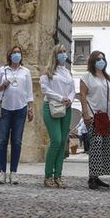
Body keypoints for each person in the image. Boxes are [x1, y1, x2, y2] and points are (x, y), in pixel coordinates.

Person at [0, 45, 34, 185]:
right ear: (9, 55)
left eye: (19, 52)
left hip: (20, 108)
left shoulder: (26, 72)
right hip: (4, 108)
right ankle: (1, 172)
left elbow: (29, 92)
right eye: (14, 52)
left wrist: (30, 108)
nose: (17, 54)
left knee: (17, 141)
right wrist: (1, 86)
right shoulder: (2, 70)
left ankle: (14, 172)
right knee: (2, 141)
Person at [79, 50, 110, 190]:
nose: (102, 61)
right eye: (99, 59)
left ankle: (98, 175)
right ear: (93, 61)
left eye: (103, 58)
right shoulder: (86, 77)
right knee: (96, 144)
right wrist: (85, 113)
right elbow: (83, 95)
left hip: (105, 116)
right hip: (93, 114)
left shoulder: (107, 78)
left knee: (105, 145)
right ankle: (92, 177)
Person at [39, 44, 74, 188]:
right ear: (55, 54)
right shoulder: (48, 71)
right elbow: (45, 89)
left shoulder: (67, 72)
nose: (63, 54)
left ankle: (58, 175)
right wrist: (61, 98)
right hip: (52, 107)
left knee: (63, 142)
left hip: (67, 107)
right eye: (60, 52)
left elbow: (72, 89)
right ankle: (48, 175)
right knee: (56, 140)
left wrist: (69, 99)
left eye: (65, 52)